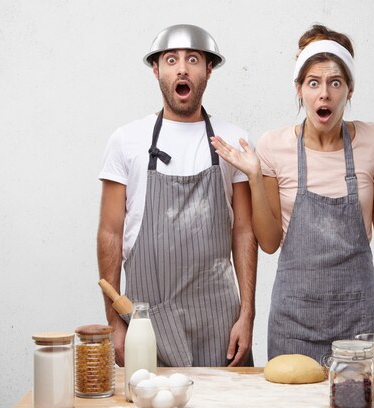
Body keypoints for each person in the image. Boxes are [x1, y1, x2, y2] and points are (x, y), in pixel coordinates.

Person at [211, 24, 374, 363]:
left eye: (334, 83)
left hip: (359, 317)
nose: (324, 94)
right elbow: (268, 243)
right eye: (313, 83)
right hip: (293, 320)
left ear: (349, 90)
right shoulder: (272, 147)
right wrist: (253, 176)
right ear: (299, 90)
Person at [97, 24, 257, 367]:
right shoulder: (127, 140)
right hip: (145, 322)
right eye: (171, 60)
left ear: (209, 70)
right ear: (156, 69)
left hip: (219, 322)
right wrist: (114, 321)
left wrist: (247, 315)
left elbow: (244, 230)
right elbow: (110, 232)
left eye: (193, 59)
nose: (182, 68)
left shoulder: (233, 142)